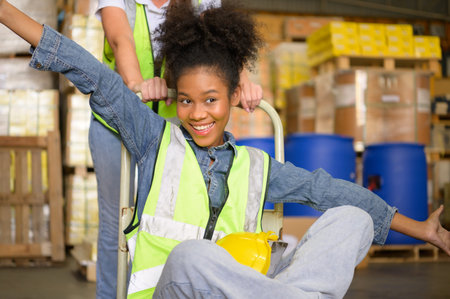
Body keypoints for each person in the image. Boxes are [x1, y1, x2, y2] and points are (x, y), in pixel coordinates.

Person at [1, 1, 449, 299]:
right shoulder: (154, 139)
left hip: (245, 290)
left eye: (211, 99)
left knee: (351, 219)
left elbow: (334, 192)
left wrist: (422, 231)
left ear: (235, 95)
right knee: (194, 254)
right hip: (174, 287)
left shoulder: (257, 165)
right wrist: (6, 12)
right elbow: (88, 69)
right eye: (186, 100)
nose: (197, 114)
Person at [92, 1, 263, 296]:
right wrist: (138, 85)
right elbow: (121, 39)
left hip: (173, 129)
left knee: (170, 220)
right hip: (117, 124)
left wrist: (243, 82)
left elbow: (221, 42)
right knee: (115, 222)